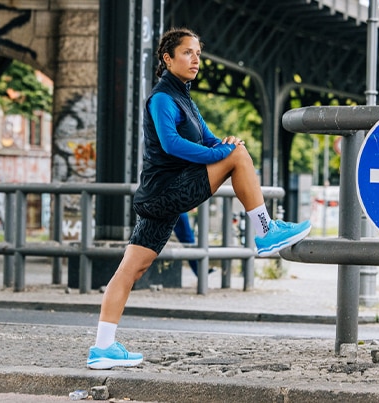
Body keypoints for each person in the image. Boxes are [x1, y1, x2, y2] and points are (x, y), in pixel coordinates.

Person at [86, 28, 311, 370]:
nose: (195, 60)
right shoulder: (162, 98)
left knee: (131, 269)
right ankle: (265, 230)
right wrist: (224, 153)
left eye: (198, 54)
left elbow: (208, 138)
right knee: (238, 157)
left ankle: (103, 347)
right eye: (187, 53)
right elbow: (171, 144)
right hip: (166, 191)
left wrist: (225, 143)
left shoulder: (185, 99)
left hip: (162, 196)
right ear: (168, 59)